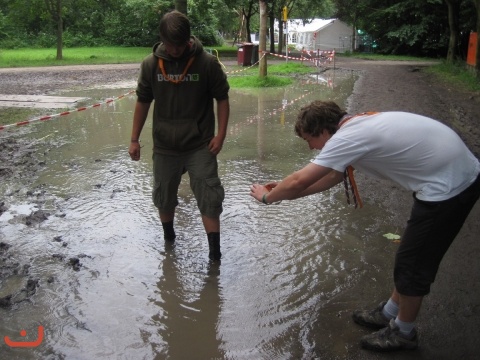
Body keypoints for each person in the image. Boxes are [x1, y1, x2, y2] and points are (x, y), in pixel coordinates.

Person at [249, 100, 480, 351]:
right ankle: (390, 312)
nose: (310, 148)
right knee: (410, 255)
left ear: (323, 132)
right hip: (451, 172)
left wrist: (267, 197)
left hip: (450, 185)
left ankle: (403, 333)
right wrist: (284, 192)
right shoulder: (355, 125)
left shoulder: (345, 138)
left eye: (308, 140)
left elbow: (299, 180)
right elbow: (331, 177)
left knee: (412, 263)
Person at [128, 10, 230, 261]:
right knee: (163, 196)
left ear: (188, 40)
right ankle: (169, 244)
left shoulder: (207, 63)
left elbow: (222, 98)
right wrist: (134, 139)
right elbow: (143, 101)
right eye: (171, 45)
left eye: (180, 45)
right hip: (165, 146)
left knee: (209, 195)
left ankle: (215, 256)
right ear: (162, 39)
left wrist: (221, 135)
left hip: (200, 144)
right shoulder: (151, 65)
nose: (175, 50)